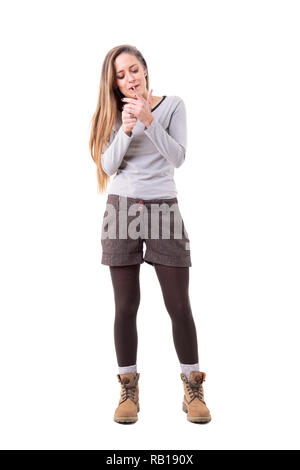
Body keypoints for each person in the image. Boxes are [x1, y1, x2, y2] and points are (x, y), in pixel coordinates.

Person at [89, 44, 211, 424]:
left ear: (145, 69)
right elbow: (108, 165)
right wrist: (126, 129)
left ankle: (193, 386)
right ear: (115, 84)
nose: (129, 79)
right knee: (125, 306)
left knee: (179, 305)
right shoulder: (114, 114)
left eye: (133, 70)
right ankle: (128, 388)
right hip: (122, 209)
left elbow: (177, 157)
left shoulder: (173, 105)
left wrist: (148, 121)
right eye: (121, 76)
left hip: (163, 208)